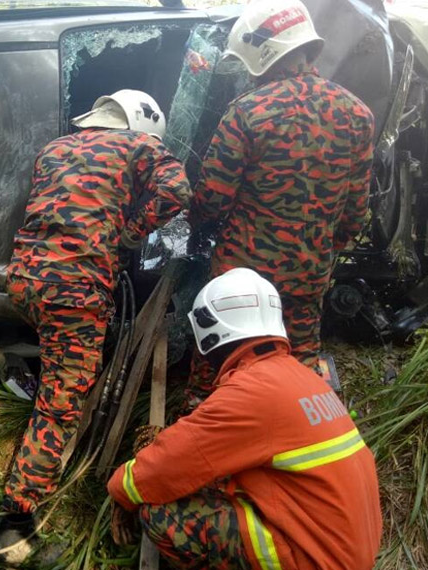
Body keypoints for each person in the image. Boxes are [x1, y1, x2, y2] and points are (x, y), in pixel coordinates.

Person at [0, 89, 191, 564]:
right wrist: (127, 232)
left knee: (60, 370)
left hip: (25, 280)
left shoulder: (55, 148)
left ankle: (39, 447)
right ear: (138, 124)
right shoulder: (138, 145)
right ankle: (14, 523)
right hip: (73, 286)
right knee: (62, 401)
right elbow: (177, 190)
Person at [108, 268, 382, 569]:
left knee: (161, 515)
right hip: (345, 548)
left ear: (210, 330)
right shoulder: (301, 377)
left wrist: (121, 491)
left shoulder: (252, 391)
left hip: (314, 558)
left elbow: (166, 465)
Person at [184, 0, 375, 412]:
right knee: (301, 360)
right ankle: (304, 433)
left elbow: (212, 200)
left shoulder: (248, 113)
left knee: (219, 362)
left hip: (243, 274)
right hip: (310, 270)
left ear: (261, 55)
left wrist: (194, 223)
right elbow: (355, 211)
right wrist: (324, 248)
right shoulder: (357, 114)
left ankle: (209, 428)